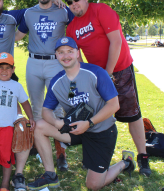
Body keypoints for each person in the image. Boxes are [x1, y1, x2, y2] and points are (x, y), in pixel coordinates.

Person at [28, 37, 136, 190]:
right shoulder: (57, 81)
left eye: (70, 52)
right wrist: (57, 123)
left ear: (77, 53)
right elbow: (46, 110)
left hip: (101, 131)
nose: (66, 56)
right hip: (76, 129)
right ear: (56, 56)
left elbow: (114, 105)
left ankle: (125, 163)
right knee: (39, 126)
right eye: (61, 52)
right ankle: (50, 175)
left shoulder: (96, 72)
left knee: (93, 185)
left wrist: (89, 123)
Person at [65, 0, 151, 176]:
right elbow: (76, 57)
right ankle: (94, 159)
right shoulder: (72, 28)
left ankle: (143, 157)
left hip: (120, 70)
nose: (73, 4)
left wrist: (109, 73)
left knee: (132, 115)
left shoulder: (101, 10)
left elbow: (116, 41)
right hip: (98, 76)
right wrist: (87, 77)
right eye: (69, 2)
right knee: (95, 118)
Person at [15, 0, 74, 171]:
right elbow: (18, 35)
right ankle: (42, 150)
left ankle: (61, 152)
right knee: (37, 108)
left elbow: (79, 22)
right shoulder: (29, 13)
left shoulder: (62, 10)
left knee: (57, 109)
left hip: (54, 63)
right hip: (33, 62)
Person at [0, 52, 35, 191]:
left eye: (8, 67)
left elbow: (25, 103)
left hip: (8, 128)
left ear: (13, 69)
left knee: (7, 157)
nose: (4, 70)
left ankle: (4, 184)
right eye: (0, 67)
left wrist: (30, 117)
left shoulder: (16, 86)